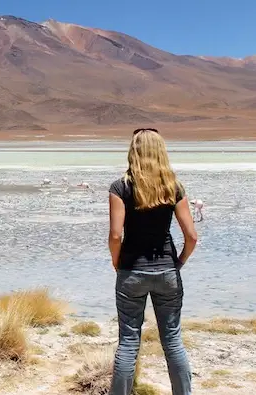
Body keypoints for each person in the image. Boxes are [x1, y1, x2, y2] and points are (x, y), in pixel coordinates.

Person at [108, 128, 198, 395]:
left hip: (131, 272)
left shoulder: (120, 187)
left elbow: (115, 235)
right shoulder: (174, 187)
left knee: (128, 343)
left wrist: (117, 263)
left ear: (133, 151)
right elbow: (191, 236)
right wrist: (177, 263)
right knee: (172, 341)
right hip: (168, 273)